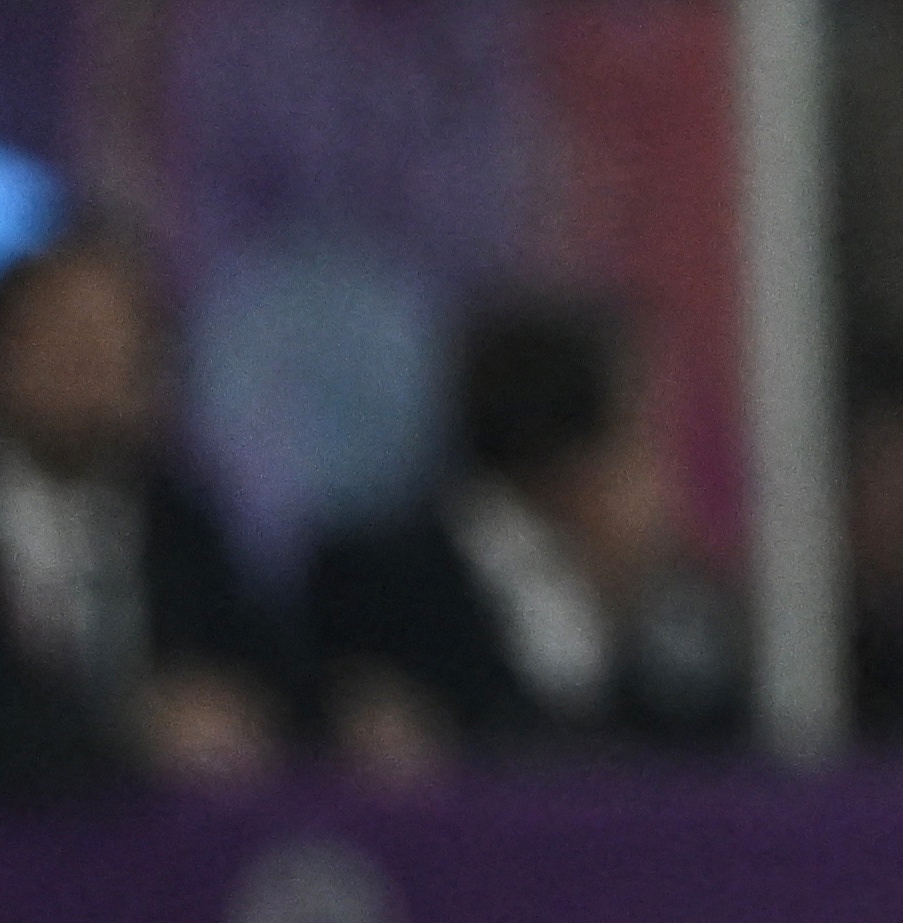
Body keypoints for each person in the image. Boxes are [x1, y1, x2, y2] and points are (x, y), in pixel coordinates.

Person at [0, 229, 291, 799]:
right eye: (59, 333)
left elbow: (272, 690)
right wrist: (121, 734)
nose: (87, 365)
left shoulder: (193, 540)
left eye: (115, 340)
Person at [299, 293, 741, 765]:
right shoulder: (375, 586)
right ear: (571, 464)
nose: (666, 480)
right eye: (641, 440)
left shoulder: (679, 620)